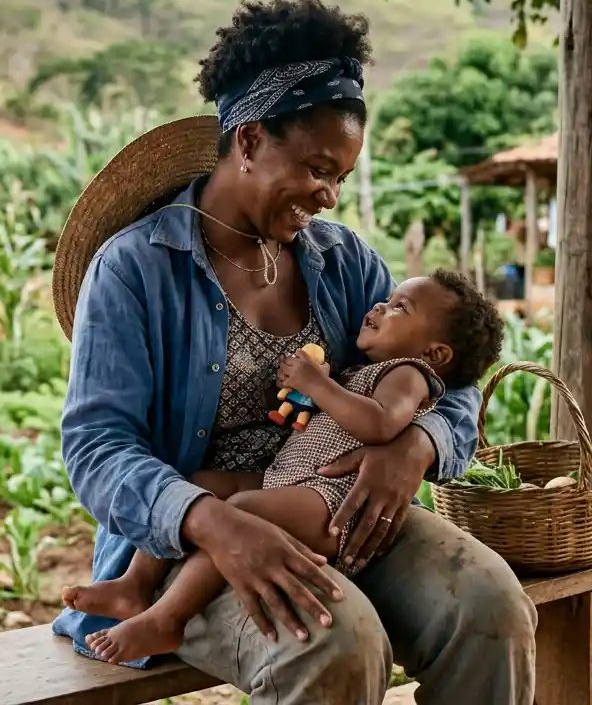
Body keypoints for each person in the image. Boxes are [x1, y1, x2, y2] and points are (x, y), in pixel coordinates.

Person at [51, 0, 537, 704]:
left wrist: (417, 446)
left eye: (340, 175)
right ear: (248, 142)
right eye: (317, 168)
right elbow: (97, 446)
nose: (331, 195)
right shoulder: (134, 270)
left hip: (338, 513)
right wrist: (214, 524)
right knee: (337, 643)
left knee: (492, 608)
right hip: (186, 555)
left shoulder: (343, 264)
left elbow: (453, 377)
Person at [70, 271, 506, 664]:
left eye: (397, 307)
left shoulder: (409, 373)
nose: (378, 305)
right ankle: (135, 583)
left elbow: (379, 422)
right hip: (291, 477)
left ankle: (168, 618)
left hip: (329, 499)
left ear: (435, 352)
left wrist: (328, 390)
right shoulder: (131, 267)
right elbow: (96, 441)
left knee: (242, 512)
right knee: (200, 487)